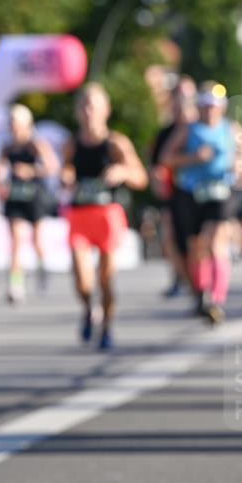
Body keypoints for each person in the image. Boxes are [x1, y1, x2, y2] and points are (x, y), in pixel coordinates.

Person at [62, 83, 147, 349]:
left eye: (94, 107)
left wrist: (123, 172)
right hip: (79, 214)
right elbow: (64, 170)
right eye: (85, 106)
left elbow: (141, 178)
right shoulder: (72, 144)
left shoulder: (116, 144)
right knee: (81, 275)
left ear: (105, 111)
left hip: (107, 215)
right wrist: (65, 177)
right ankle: (89, 308)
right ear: (78, 112)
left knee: (106, 277)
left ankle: (107, 326)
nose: (89, 112)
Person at [161, 82, 242, 323]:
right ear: (200, 107)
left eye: (215, 106)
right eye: (206, 106)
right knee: (196, 247)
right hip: (191, 193)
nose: (210, 111)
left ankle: (217, 298)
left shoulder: (230, 128)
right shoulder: (188, 129)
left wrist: (239, 165)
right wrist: (193, 157)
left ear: (221, 108)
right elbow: (166, 158)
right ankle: (201, 293)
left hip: (221, 192)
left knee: (215, 243)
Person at [0, 103, 59, 302]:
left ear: (26, 124)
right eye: (11, 122)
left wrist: (30, 171)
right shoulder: (7, 146)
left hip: (34, 195)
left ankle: (42, 268)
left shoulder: (36, 144)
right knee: (15, 240)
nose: (13, 126)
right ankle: (15, 285)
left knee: (36, 239)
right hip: (16, 195)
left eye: (16, 122)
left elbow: (51, 166)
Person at [147, 75, 197, 297]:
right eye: (177, 98)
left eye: (185, 97)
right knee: (171, 238)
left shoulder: (203, 129)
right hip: (173, 192)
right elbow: (154, 162)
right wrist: (156, 177)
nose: (181, 103)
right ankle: (181, 277)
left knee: (198, 242)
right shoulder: (165, 132)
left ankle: (201, 285)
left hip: (200, 194)